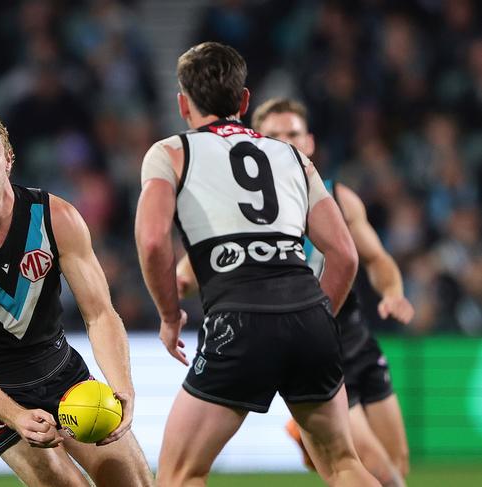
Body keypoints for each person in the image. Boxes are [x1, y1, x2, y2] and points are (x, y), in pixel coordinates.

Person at [135, 42, 379, 487]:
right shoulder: (292, 157)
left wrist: (170, 317)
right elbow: (345, 254)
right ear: (245, 102)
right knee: (343, 464)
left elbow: (153, 243)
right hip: (310, 316)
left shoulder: (170, 153)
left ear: (182, 103)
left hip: (238, 320)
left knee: (180, 474)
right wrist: (317, 315)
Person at [0, 104, 153, 487]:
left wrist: (121, 385)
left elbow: (100, 314)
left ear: (8, 159)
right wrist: (15, 415)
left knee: (136, 483)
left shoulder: (56, 218)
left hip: (61, 373)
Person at [250, 97, 413, 486]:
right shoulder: (247, 209)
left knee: (397, 461)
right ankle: (311, 432)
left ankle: (307, 436)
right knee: (375, 466)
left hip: (358, 341)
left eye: (293, 134)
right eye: (274, 136)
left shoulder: (338, 198)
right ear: (256, 142)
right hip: (318, 351)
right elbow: (195, 261)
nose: (286, 143)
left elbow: (377, 259)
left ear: (310, 142)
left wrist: (393, 291)